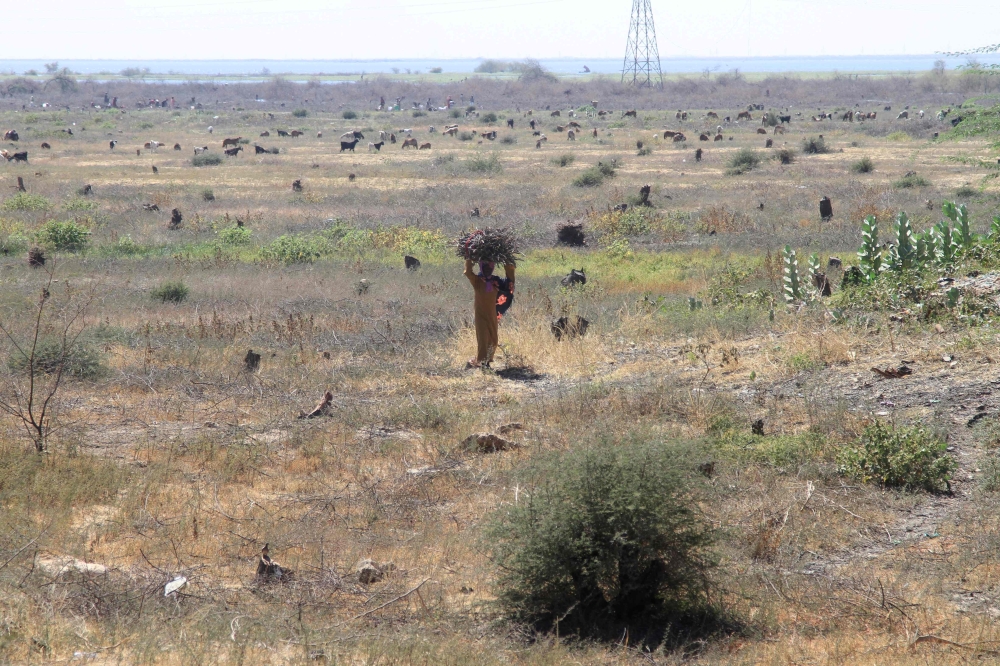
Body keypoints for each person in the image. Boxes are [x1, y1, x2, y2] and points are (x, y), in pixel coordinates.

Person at [464, 258, 515, 368]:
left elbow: (509, 284)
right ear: (481, 267)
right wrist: (469, 259)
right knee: (483, 339)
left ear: (492, 268)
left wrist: (509, 265)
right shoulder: (477, 281)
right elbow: (468, 272)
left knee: (493, 339)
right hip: (481, 315)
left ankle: (486, 360)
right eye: (485, 267)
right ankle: (483, 363)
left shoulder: (496, 282)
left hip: (492, 314)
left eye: (490, 267)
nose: (487, 269)